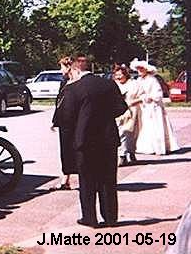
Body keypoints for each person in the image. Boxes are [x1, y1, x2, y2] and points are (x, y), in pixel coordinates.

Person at [60, 67, 128, 228]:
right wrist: (105, 116)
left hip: (84, 140)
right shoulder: (109, 85)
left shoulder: (73, 89)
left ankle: (90, 217)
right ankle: (111, 217)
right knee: (108, 180)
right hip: (107, 138)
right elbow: (121, 107)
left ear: (76, 69)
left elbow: (67, 118)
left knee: (87, 180)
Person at [131, 59, 179, 155]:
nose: (139, 70)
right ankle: (145, 147)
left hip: (153, 108)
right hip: (143, 108)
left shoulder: (152, 80)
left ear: (146, 69)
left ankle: (158, 147)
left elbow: (157, 95)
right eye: (138, 68)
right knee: (144, 127)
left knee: (154, 127)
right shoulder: (138, 80)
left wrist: (145, 98)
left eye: (141, 68)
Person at [49, 56, 78, 191]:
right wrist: (55, 119)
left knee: (78, 151)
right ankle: (65, 180)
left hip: (76, 121)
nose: (61, 70)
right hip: (65, 122)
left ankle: (83, 179)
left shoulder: (78, 82)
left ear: (69, 67)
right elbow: (59, 102)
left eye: (62, 67)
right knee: (65, 151)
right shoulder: (64, 82)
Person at [112, 64, 141, 165]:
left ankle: (130, 152)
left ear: (125, 74)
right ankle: (122, 155)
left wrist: (131, 102)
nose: (119, 77)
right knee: (121, 133)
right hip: (118, 112)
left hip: (132, 111)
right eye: (116, 75)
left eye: (120, 75)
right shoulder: (114, 84)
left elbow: (142, 96)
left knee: (129, 134)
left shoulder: (133, 84)